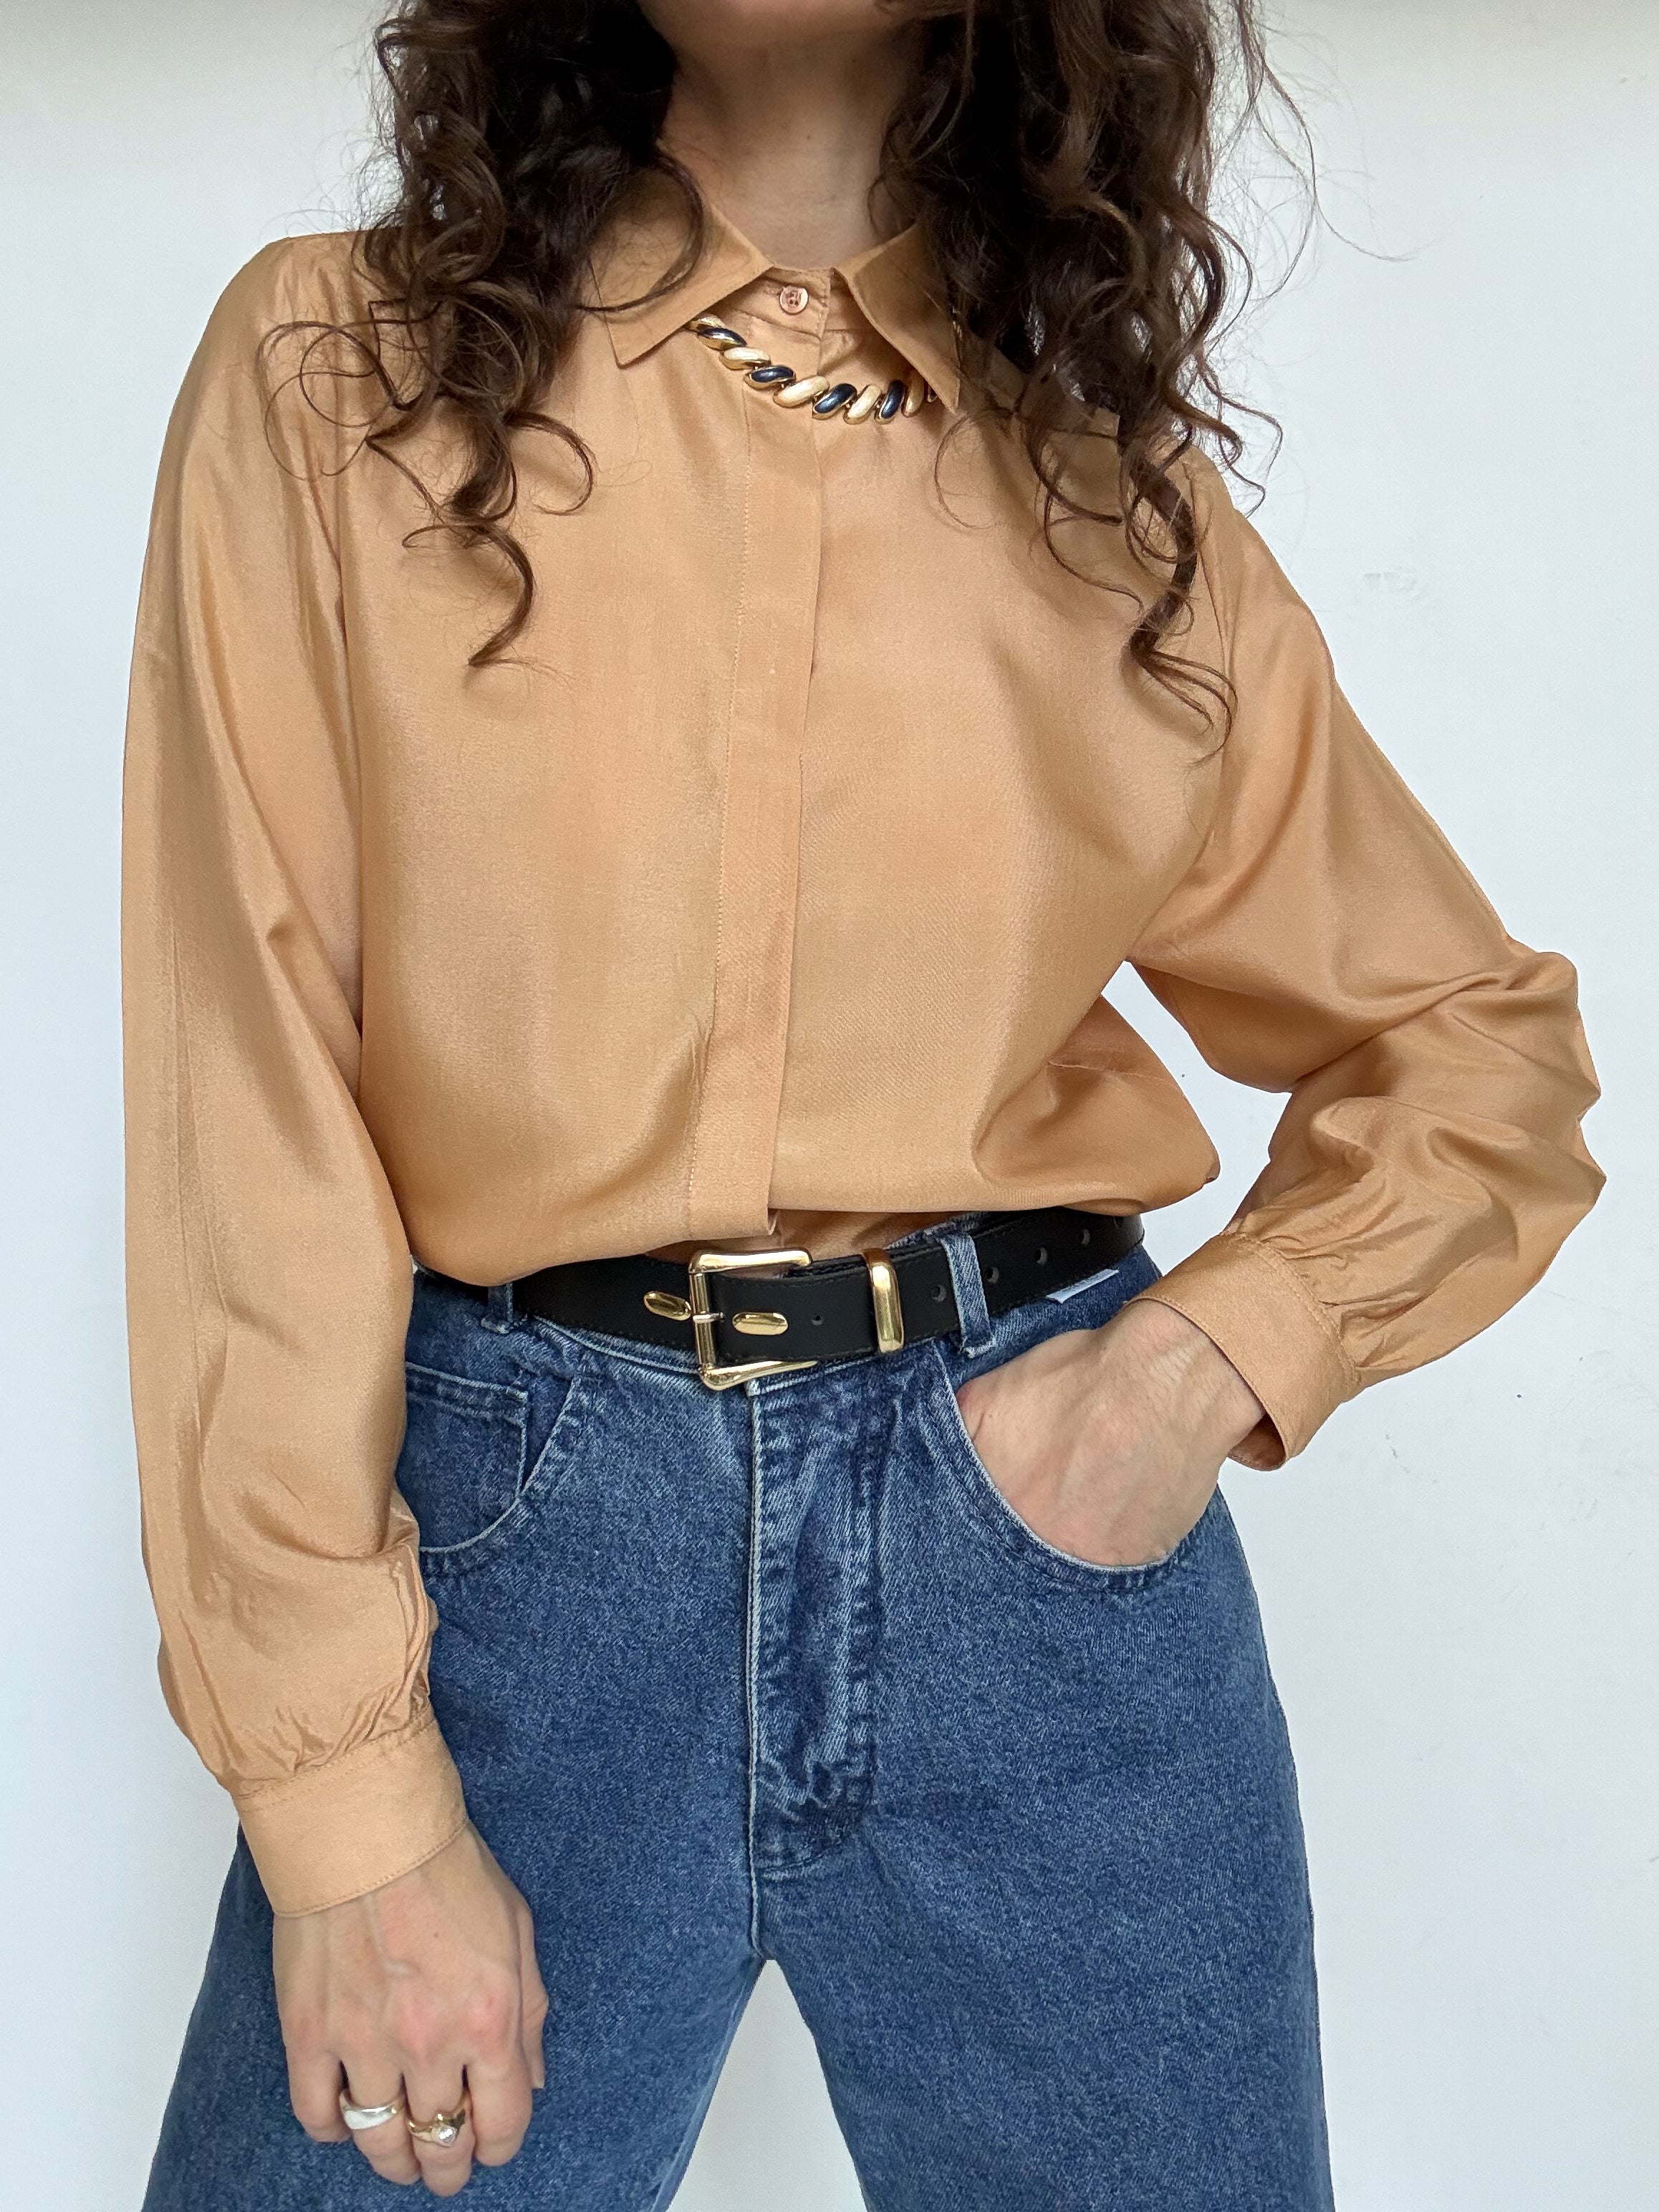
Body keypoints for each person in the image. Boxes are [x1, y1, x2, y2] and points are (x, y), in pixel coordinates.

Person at [120, 1, 1603, 2204]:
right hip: (514, 1564)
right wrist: (346, 1808)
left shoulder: (1114, 510)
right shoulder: (338, 370)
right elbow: (243, 1101)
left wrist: (1183, 1379)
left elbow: (1473, 1042)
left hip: (1035, 1556)